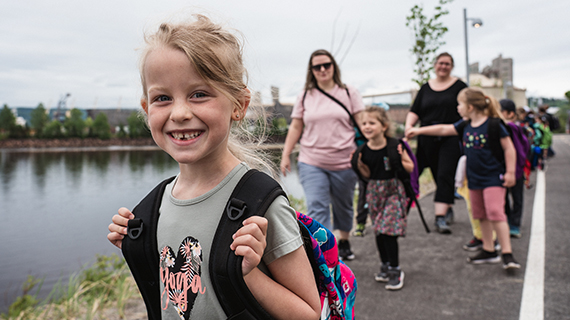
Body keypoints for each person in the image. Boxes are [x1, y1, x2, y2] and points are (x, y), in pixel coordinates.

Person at [107, 15, 320, 320]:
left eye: (199, 94)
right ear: (147, 109)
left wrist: (246, 274)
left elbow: (310, 313)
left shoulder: (260, 203)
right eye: (163, 98)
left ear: (238, 105)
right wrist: (136, 244)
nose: (179, 113)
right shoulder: (153, 207)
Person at [406, 87, 521, 270]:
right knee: (480, 215)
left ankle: (507, 254)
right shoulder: (464, 125)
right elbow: (444, 129)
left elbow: (509, 149)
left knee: (495, 213)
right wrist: (419, 131)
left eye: (459, 104)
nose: (457, 107)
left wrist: (510, 172)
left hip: (493, 178)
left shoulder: (494, 124)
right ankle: (488, 249)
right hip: (474, 180)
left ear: (470, 107)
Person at [280, 49, 364, 261]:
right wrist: (286, 154)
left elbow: (363, 124)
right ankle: (326, 253)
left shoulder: (348, 92)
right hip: (312, 160)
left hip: (345, 159)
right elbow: (296, 127)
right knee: (317, 206)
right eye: (317, 66)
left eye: (327, 64)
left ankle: (344, 239)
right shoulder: (306, 95)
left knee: (344, 205)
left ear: (334, 66)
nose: (323, 69)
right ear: (312, 70)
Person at [404, 52, 467, 234]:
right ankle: (443, 206)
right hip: (425, 138)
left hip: (450, 137)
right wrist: (409, 127)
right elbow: (414, 110)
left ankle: (440, 217)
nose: (443, 67)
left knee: (444, 175)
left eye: (447, 64)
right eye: (441, 63)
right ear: (435, 65)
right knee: (416, 172)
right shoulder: (426, 88)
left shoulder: (459, 86)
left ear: (452, 66)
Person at [353, 107, 413, 290]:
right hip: (374, 191)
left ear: (384, 126)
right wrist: (359, 164)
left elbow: (410, 167)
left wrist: (399, 157)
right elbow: (367, 174)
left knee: (388, 230)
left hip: (393, 190)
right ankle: (385, 264)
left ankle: (395, 269)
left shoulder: (395, 145)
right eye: (364, 123)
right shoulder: (363, 150)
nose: (367, 126)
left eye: (372, 123)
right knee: (379, 230)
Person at [500, 99, 529, 238]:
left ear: (511, 114)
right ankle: (509, 221)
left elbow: (524, 149)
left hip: (516, 169)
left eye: (501, 111)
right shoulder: (499, 127)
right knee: (504, 198)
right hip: (502, 168)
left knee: (516, 198)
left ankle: (515, 224)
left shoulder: (514, 128)